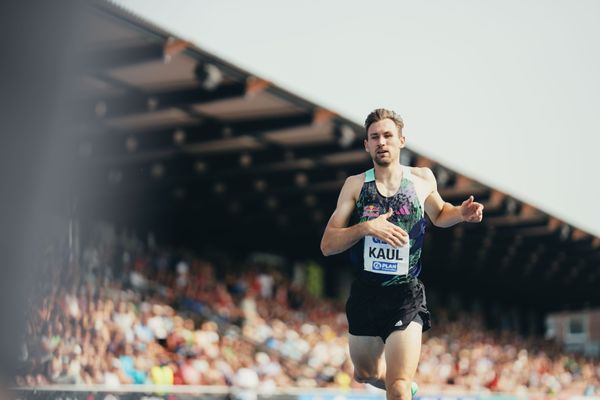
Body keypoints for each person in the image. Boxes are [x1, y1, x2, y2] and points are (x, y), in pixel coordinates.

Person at [320, 108, 483, 400]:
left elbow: (441, 213)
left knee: (397, 388)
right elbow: (328, 244)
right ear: (366, 145)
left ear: (402, 140)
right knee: (364, 373)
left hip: (405, 295)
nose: (381, 142)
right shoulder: (356, 186)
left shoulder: (421, 179)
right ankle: (402, 384)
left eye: (387, 135)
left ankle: (403, 386)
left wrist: (461, 213)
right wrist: (366, 228)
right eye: (374, 137)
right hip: (365, 295)